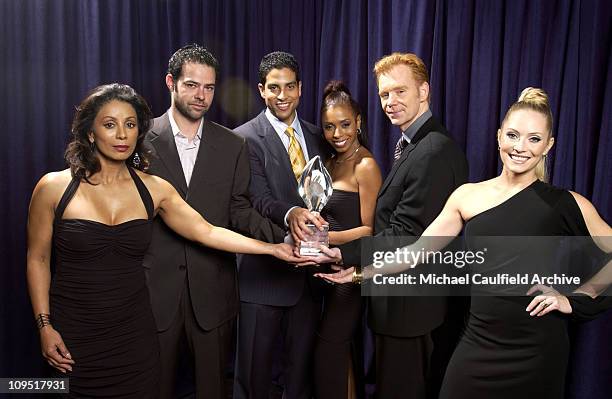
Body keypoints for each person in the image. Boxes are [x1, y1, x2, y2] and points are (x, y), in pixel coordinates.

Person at [317, 87, 612, 399]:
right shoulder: (467, 196)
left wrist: (578, 296)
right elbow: (416, 251)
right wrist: (359, 272)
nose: (520, 147)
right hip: (479, 340)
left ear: (548, 145)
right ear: (499, 136)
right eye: (512, 135)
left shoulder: (565, 203)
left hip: (538, 350)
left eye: (534, 139)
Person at [26, 83, 298, 398]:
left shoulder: (154, 189)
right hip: (73, 333)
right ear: (90, 133)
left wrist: (273, 249)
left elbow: (206, 231)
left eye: (130, 125)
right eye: (110, 125)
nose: (122, 135)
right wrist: (44, 325)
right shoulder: (53, 188)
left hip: (134, 336)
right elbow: (38, 259)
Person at [298, 52, 469, 399]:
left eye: (400, 92)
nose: (390, 102)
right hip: (400, 305)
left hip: (412, 308)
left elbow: (405, 235)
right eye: (384, 95)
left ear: (424, 91)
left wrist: (340, 254)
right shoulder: (414, 145)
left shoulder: (433, 150)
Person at [142, 44, 286, 399]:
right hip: (154, 293)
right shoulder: (139, 140)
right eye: (191, 85)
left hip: (213, 292)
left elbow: (239, 211)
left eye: (209, 87)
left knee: (213, 390)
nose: (201, 95)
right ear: (170, 83)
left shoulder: (232, 143)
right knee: (150, 388)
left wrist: (286, 240)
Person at [232, 51, 332, 399]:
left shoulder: (319, 137)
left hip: (308, 280)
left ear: (301, 89)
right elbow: (255, 199)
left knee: (299, 377)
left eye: (290, 86)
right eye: (274, 87)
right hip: (263, 279)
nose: (282, 95)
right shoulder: (243, 138)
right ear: (261, 90)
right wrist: (289, 224)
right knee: (254, 379)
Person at [311, 81, 382, 399]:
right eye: (329, 127)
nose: (337, 134)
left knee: (329, 350)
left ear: (359, 122)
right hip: (324, 265)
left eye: (344, 125)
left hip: (350, 274)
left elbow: (371, 230)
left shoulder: (365, 166)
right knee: (341, 353)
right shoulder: (328, 162)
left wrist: (328, 237)